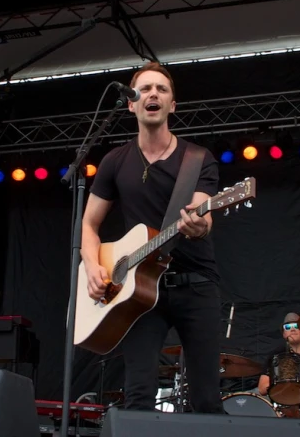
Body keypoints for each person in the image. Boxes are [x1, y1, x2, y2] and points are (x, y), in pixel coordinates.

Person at [80, 61, 224, 414]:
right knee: (138, 396)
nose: (153, 94)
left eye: (161, 89)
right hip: (141, 292)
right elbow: (88, 225)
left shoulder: (198, 159)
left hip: (196, 285)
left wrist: (199, 225)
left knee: (206, 397)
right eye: (145, 89)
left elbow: (202, 215)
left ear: (172, 105)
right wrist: (91, 266)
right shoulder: (114, 161)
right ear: (131, 103)